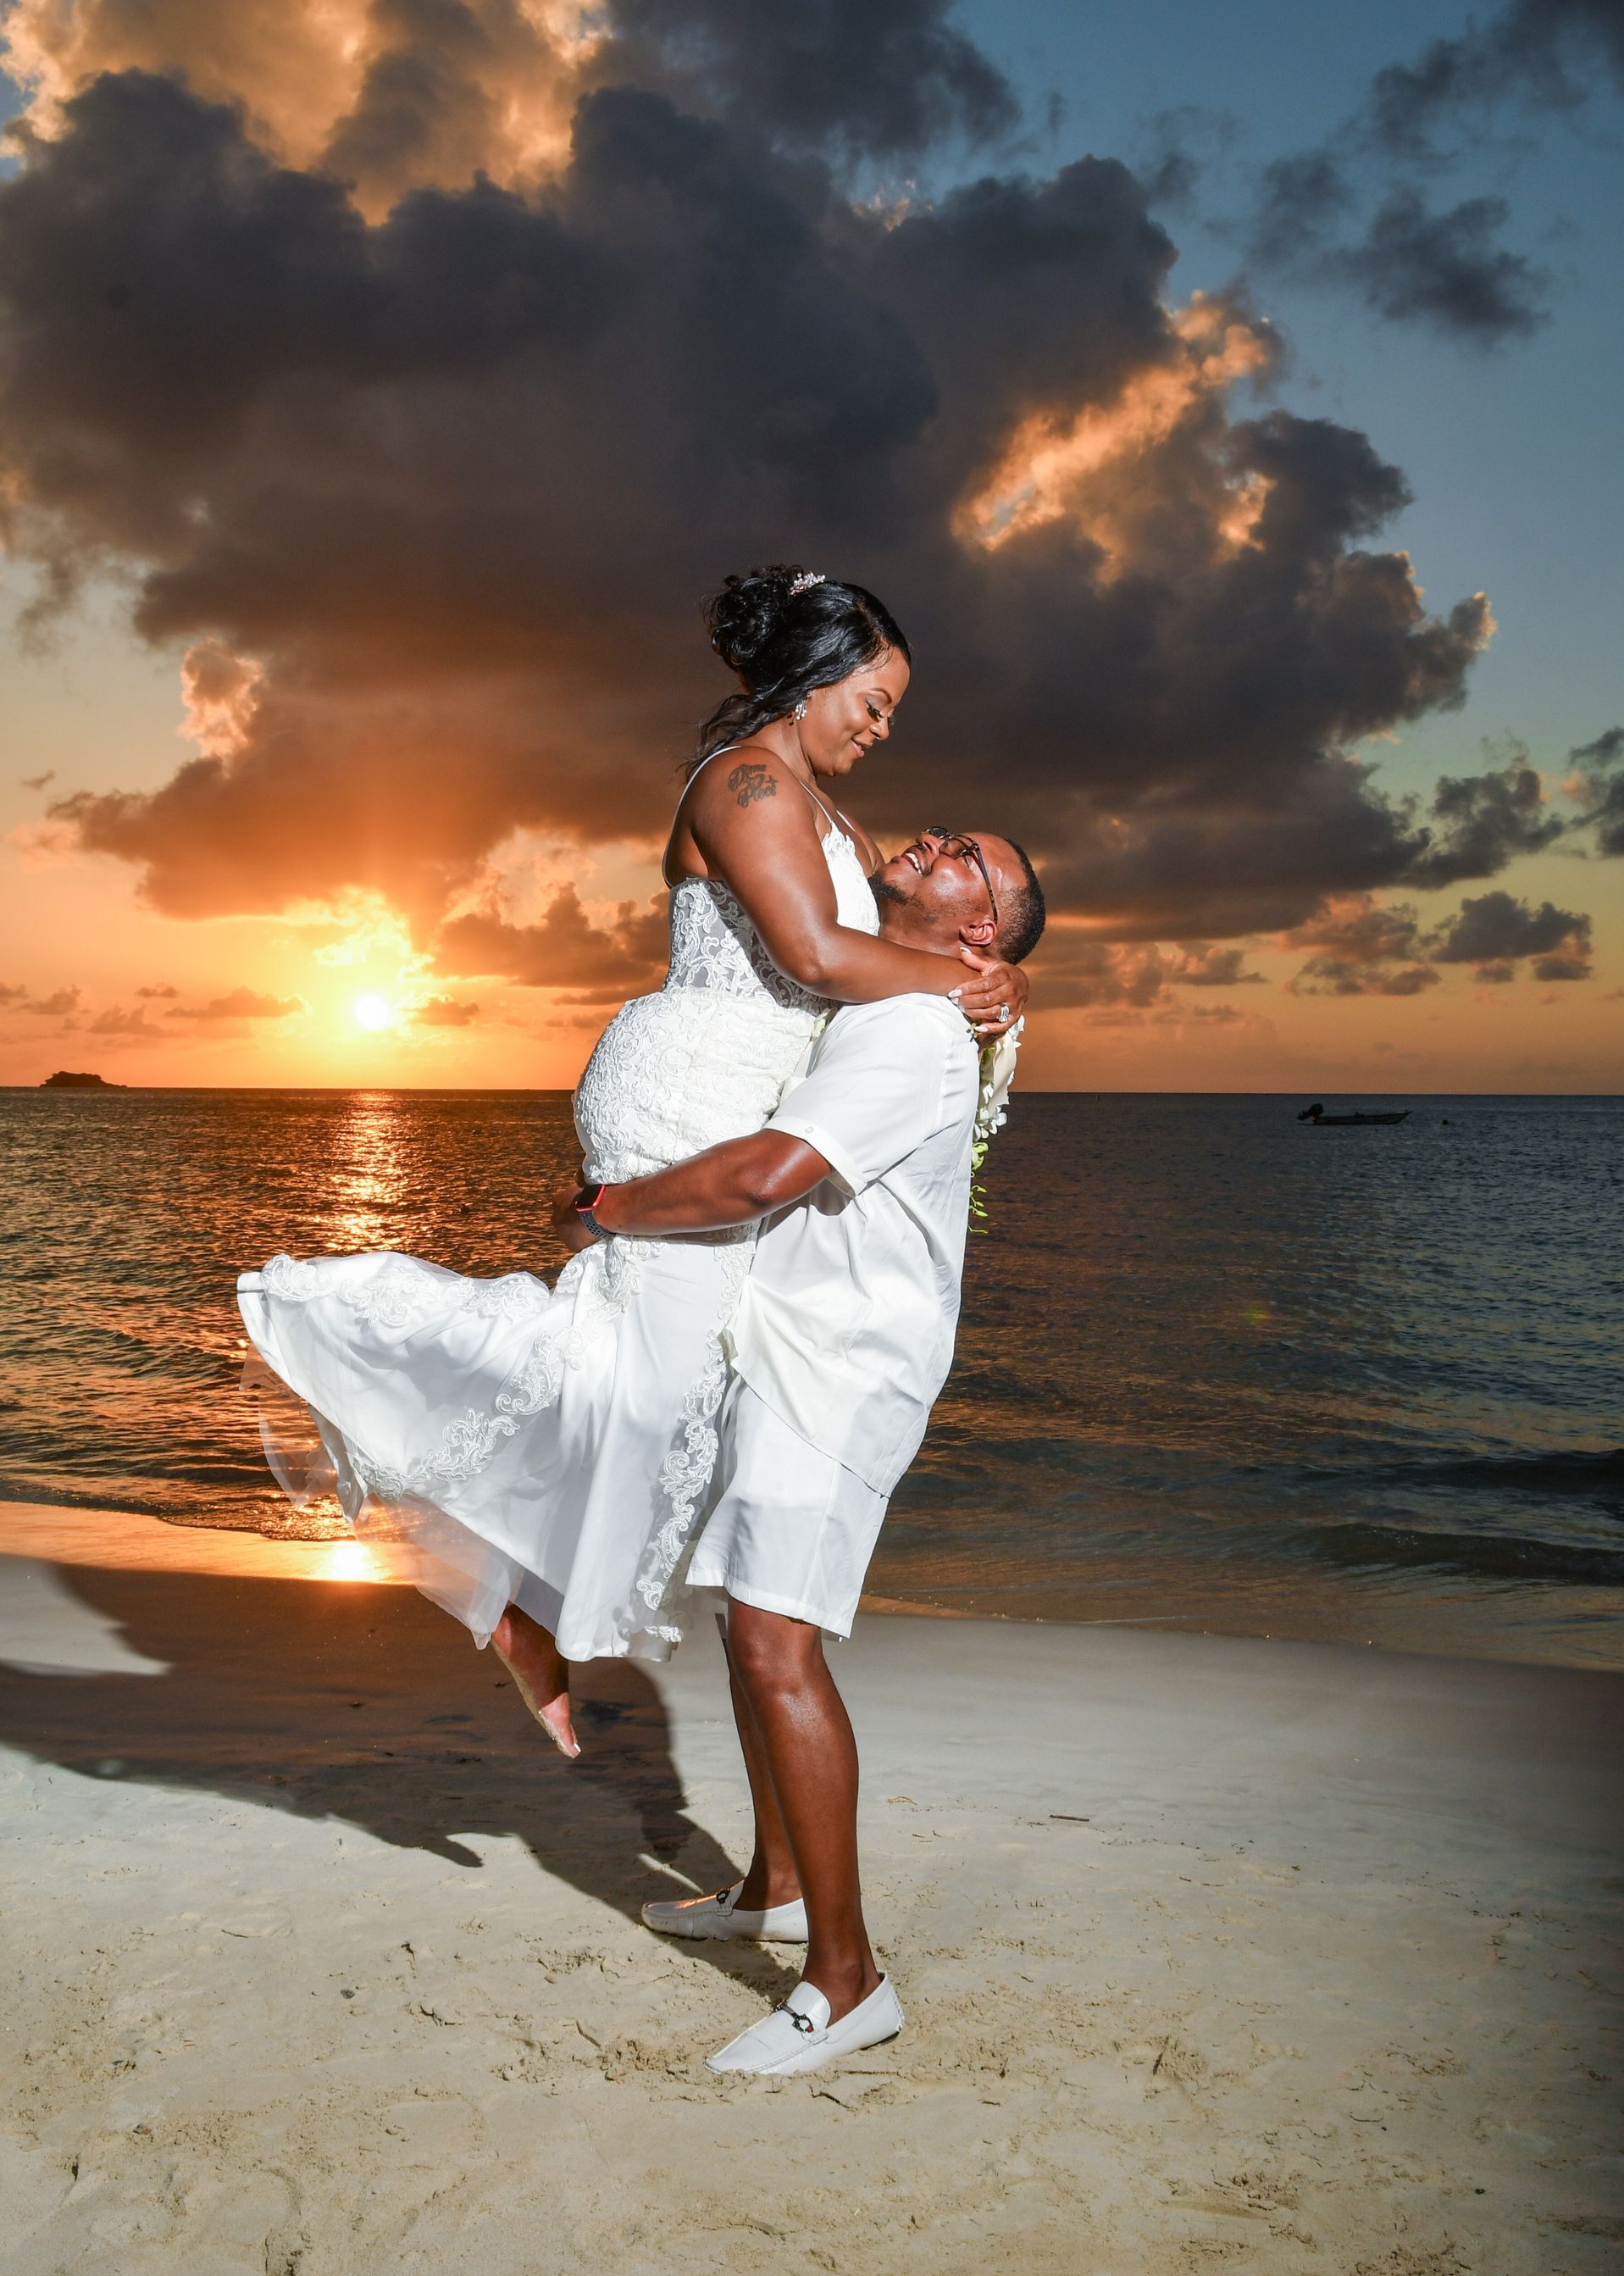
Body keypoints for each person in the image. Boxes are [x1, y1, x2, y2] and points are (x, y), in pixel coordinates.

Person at [238, 569, 1027, 1757]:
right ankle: (367, 1361)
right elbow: (817, 957)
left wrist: (996, 976)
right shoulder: (743, 781)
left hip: (743, 1094)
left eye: (891, 712)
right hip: (689, 1089)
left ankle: (522, 1601)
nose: (882, 729)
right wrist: (973, 982)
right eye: (873, 701)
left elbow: (883, 943)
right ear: (814, 675)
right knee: (640, 1377)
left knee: (667, 1383)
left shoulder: (837, 818)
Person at [550, 826, 1046, 2073]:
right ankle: (774, 1887)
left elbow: (770, 1170)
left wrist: (608, 1209)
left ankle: (848, 1978)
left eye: (964, 858)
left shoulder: (918, 1033)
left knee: (780, 1645)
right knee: (747, 1624)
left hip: (843, 1364)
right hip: (787, 1339)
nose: (931, 841)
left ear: (979, 929)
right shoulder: (895, 996)